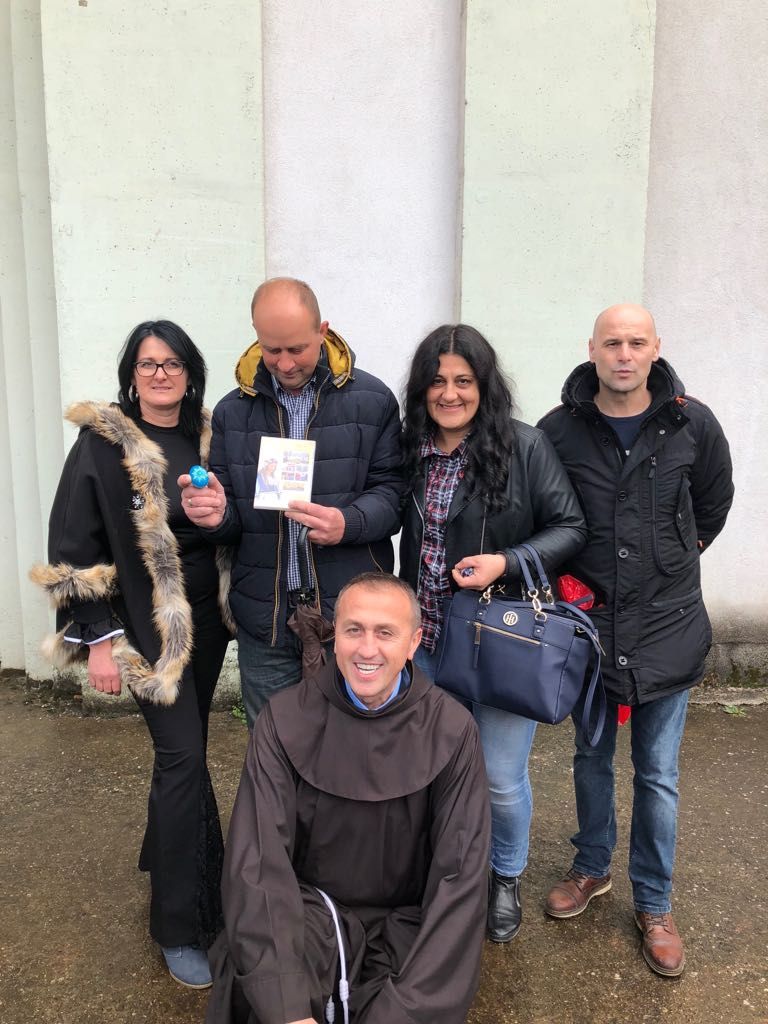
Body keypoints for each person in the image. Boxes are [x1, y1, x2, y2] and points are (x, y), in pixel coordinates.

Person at [31, 321, 233, 989]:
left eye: (172, 363)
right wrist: (96, 640)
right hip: (146, 630)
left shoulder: (209, 435)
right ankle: (179, 927)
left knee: (188, 750)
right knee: (182, 759)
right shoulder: (104, 442)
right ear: (132, 374)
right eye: (148, 364)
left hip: (207, 622)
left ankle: (171, 862)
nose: (160, 374)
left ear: (189, 372)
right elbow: (72, 545)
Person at [538, 303, 734, 977]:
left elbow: (713, 503)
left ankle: (654, 902)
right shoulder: (559, 430)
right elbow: (545, 510)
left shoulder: (692, 423)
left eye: (636, 342)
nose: (624, 354)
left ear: (655, 348)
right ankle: (592, 865)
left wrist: (678, 555)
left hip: (667, 625)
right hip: (591, 627)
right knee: (591, 759)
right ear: (592, 348)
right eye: (613, 342)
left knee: (657, 773)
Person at [205, 573, 491, 1024]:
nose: (367, 649)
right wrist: (288, 1007)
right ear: (334, 636)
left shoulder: (452, 730)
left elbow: (461, 877)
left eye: (385, 633)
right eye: (354, 630)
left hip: (408, 922)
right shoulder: (285, 718)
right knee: (260, 989)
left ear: (414, 642)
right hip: (307, 915)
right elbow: (257, 860)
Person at [398, 323, 587, 944]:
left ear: (484, 386)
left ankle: (504, 876)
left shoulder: (524, 446)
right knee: (437, 768)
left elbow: (570, 526)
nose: (449, 393)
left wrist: (505, 562)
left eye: (464, 380)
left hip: (501, 643)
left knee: (501, 777)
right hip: (427, 641)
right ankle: (451, 873)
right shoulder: (410, 448)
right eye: (437, 381)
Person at [179, 278, 403, 727]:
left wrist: (349, 523)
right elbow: (232, 521)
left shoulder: (373, 400)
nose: (284, 363)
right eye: (272, 349)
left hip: (350, 614)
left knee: (355, 746)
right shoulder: (233, 412)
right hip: (267, 616)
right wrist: (215, 515)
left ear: (323, 331)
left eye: (297, 349)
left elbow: (393, 494)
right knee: (273, 748)